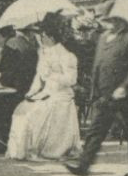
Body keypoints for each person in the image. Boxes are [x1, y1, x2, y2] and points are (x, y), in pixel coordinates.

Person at [65, 15, 128, 176]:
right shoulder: (102, 38)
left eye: (110, 20)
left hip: (122, 95)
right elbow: (97, 64)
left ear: (119, 20)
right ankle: (83, 166)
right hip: (103, 94)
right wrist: (94, 90)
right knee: (95, 131)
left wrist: (125, 86)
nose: (106, 23)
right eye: (105, 20)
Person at [6, 14, 82, 162]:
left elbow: (71, 79)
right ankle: (20, 149)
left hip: (61, 96)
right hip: (46, 93)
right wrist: (31, 93)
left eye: (43, 36)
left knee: (35, 114)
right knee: (22, 109)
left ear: (51, 37)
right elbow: (38, 77)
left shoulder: (67, 55)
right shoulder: (44, 54)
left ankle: (46, 148)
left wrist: (52, 76)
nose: (40, 39)